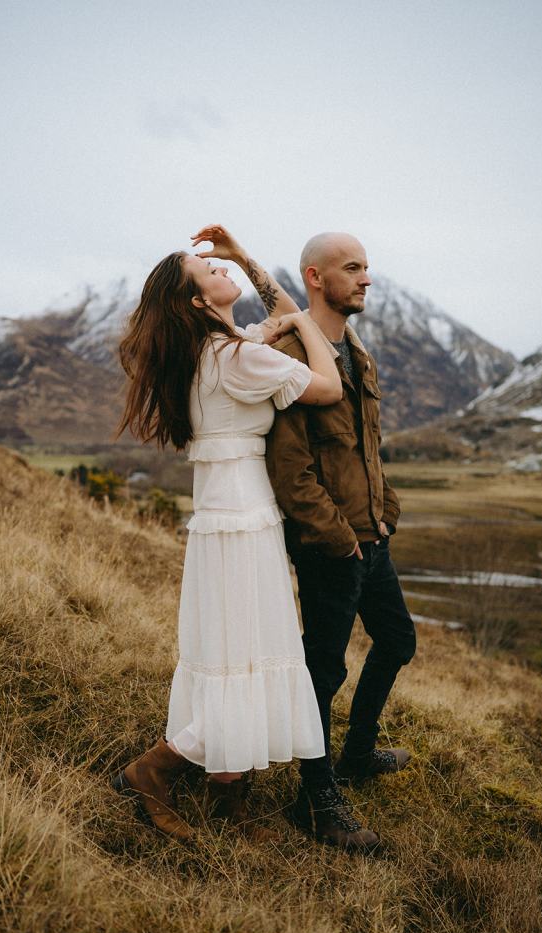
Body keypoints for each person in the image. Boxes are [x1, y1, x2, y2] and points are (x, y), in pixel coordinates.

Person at [111, 225, 340, 843]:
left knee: (232, 651)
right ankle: (150, 773)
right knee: (245, 649)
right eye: (206, 269)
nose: (219, 269)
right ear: (196, 302)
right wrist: (311, 330)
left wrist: (243, 261)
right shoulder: (238, 358)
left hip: (223, 516)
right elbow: (328, 383)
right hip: (243, 519)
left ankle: (228, 803)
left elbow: (273, 326)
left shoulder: (215, 351)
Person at [265, 232, 417, 853]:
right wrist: (337, 538)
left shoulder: (355, 352)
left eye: (367, 268)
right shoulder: (294, 358)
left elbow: (366, 449)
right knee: (323, 669)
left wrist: (386, 512)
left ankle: (355, 756)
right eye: (352, 268)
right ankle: (315, 797)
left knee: (399, 640)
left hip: (370, 536)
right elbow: (290, 471)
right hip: (332, 545)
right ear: (315, 276)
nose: (366, 279)